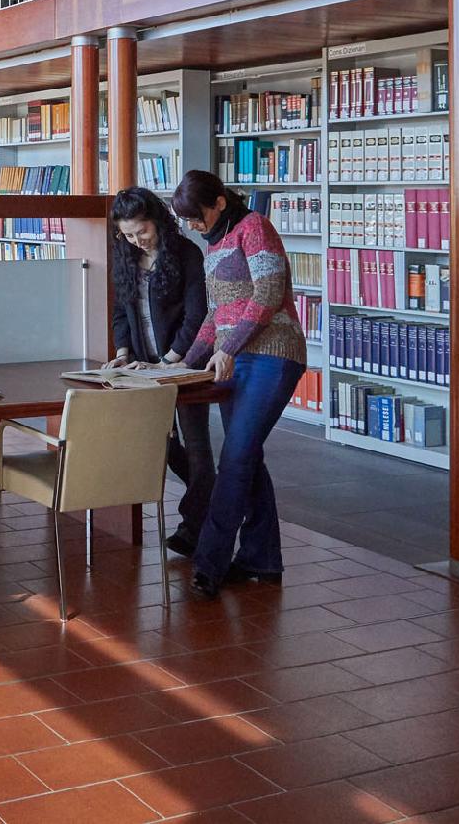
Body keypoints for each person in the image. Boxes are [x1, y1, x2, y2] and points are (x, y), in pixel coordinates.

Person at [171, 170, 308, 601]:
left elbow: (267, 294)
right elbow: (215, 316)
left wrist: (228, 348)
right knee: (247, 459)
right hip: (234, 358)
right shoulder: (214, 246)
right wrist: (177, 364)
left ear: (219, 204)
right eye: (186, 221)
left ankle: (209, 563)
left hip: (273, 355)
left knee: (234, 459)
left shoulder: (256, 228)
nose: (192, 226)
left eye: (196, 217)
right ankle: (261, 559)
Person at [107, 187, 214, 557]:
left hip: (185, 365)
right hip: (143, 367)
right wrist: (123, 352)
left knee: (197, 445)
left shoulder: (186, 254)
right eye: (129, 235)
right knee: (159, 444)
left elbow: (197, 315)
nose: (137, 241)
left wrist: (170, 360)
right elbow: (121, 311)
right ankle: (211, 497)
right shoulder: (125, 257)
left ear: (158, 221)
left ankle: (194, 525)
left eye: (143, 232)